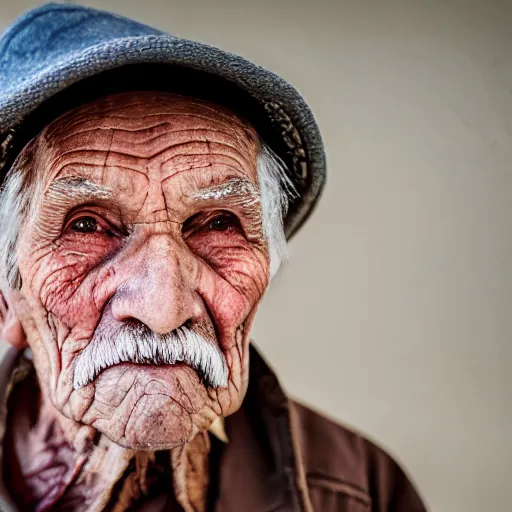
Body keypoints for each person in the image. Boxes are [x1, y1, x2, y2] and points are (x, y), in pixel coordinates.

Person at [0, 4, 427, 511]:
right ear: (5, 298)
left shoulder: (361, 489)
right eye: (86, 225)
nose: (164, 309)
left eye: (218, 223)